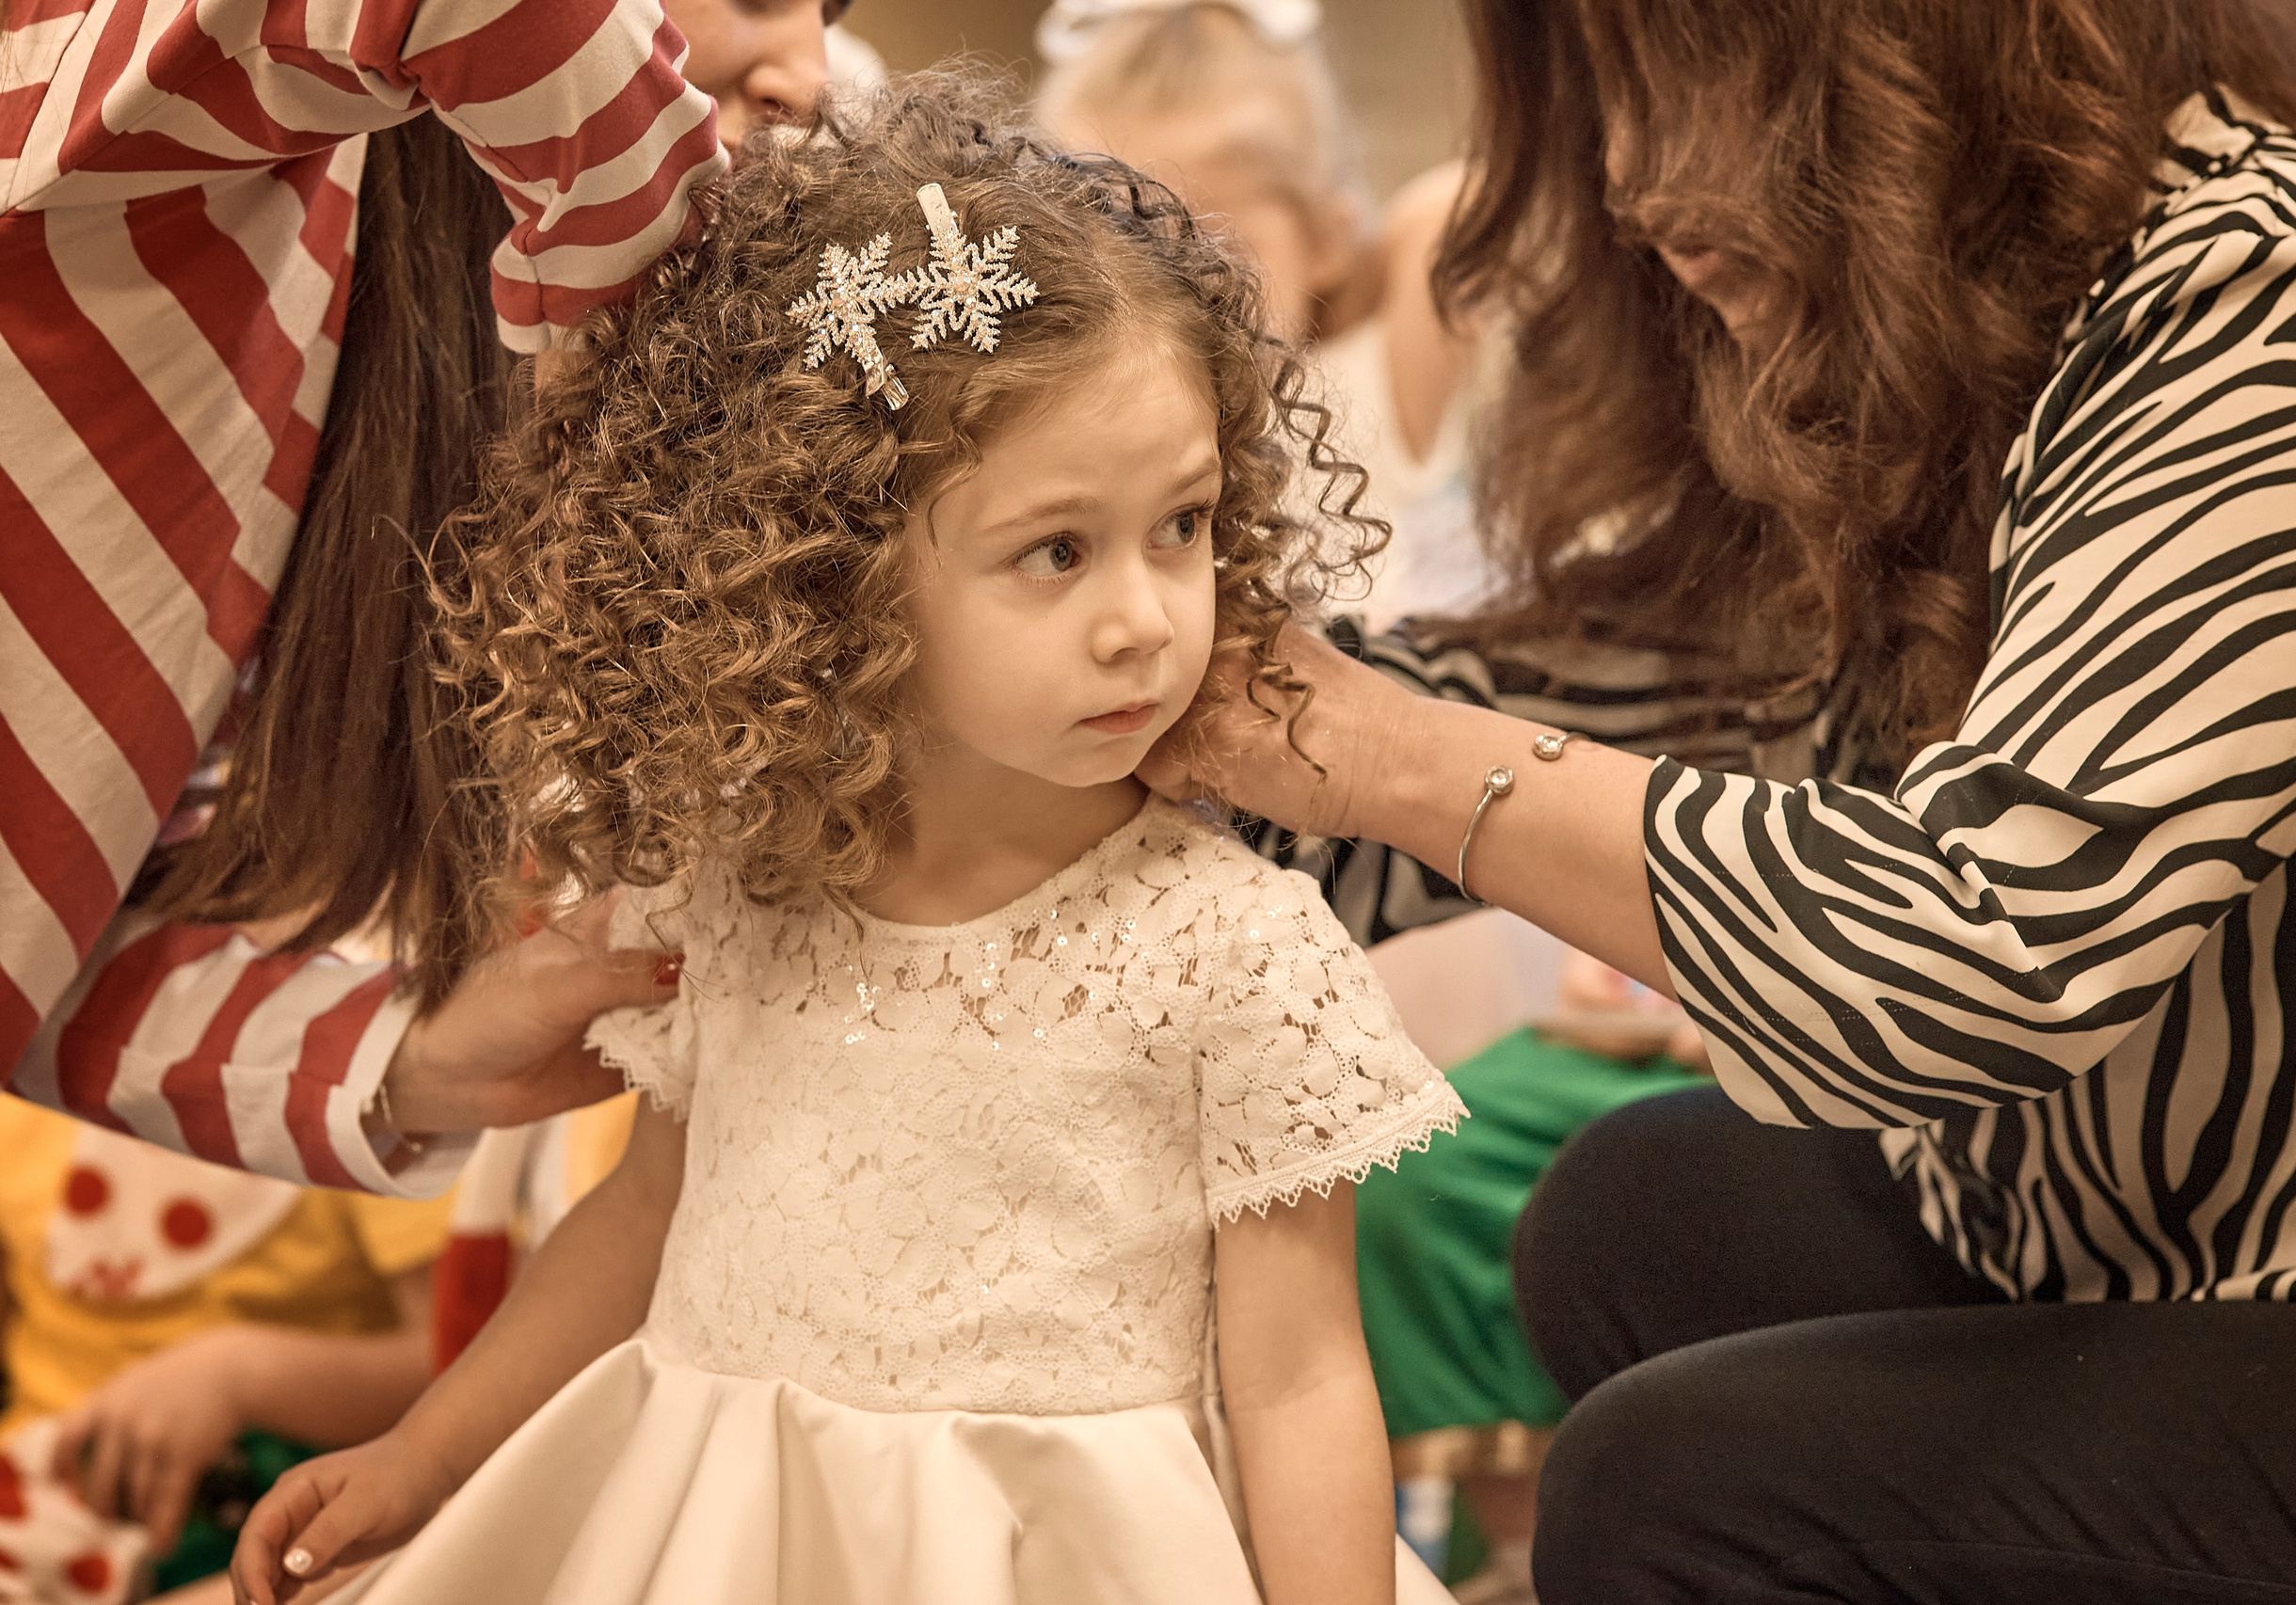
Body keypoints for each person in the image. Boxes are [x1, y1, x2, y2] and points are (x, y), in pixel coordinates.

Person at [1141, 0, 2296, 1599]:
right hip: (2112, 1220)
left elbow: (1988, 943)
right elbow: (1628, 684)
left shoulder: (2289, 294)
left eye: (1691, 85)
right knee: (1629, 1213)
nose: (1626, 177)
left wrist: (1387, 757)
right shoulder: (1992, 323)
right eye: (1601, 96)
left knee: (1669, 1485)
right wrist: (1108, 735)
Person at [222, 78, 1467, 1605]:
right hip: (716, 1531)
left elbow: (1298, 1384)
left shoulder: (1236, 950)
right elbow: (643, 1220)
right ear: (836, 579)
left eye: (1186, 526)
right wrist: (426, 1455)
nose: (1147, 618)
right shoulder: (732, 894)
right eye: (1057, 551)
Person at [0, 0, 837, 1195]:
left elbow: (51, 930)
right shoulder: (119, 90)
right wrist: (650, 302)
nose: (812, 76)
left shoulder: (359, 374)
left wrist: (407, 1062)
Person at [1032, 0, 1487, 628]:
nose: (1170, 292)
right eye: (1123, 244)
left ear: (1326, 240)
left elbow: (1462, 203)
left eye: (1217, 251)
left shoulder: (1362, 387)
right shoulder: (1066, 417)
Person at [0, 1097, 449, 1603]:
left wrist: (244, 1375)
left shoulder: (374, 1100)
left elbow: (466, 1365)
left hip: (285, 1499)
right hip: (38, 1485)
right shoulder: (23, 1078)